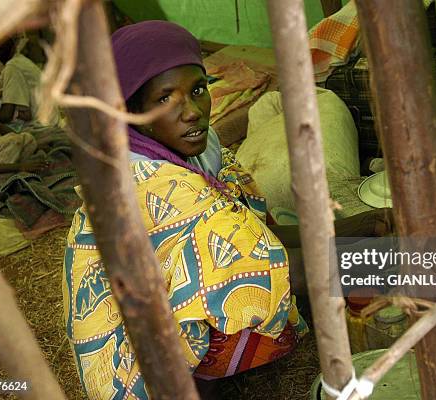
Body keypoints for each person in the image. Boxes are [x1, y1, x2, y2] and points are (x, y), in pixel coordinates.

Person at [63, 21, 313, 400]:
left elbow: (254, 232)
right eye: (165, 98)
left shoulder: (194, 150)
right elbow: (272, 268)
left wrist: (355, 229)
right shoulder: (145, 183)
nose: (193, 111)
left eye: (198, 89)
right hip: (133, 368)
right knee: (263, 291)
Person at [0, 36, 60, 127]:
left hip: (43, 126)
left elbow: (6, 114)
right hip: (50, 120)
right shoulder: (18, 62)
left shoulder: (13, 67)